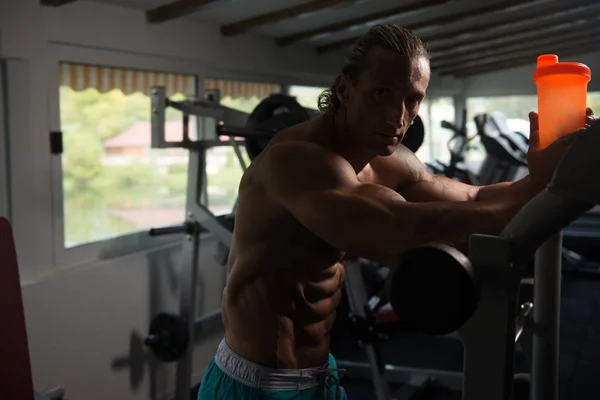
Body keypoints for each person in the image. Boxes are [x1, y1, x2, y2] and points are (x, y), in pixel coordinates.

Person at [198, 24, 596, 400]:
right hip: (255, 385)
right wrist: (555, 188)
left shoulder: (391, 160)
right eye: (381, 93)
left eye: (412, 99)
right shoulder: (297, 161)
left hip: (320, 374)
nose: (398, 116)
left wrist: (543, 176)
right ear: (344, 88)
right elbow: (403, 233)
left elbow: (475, 199)